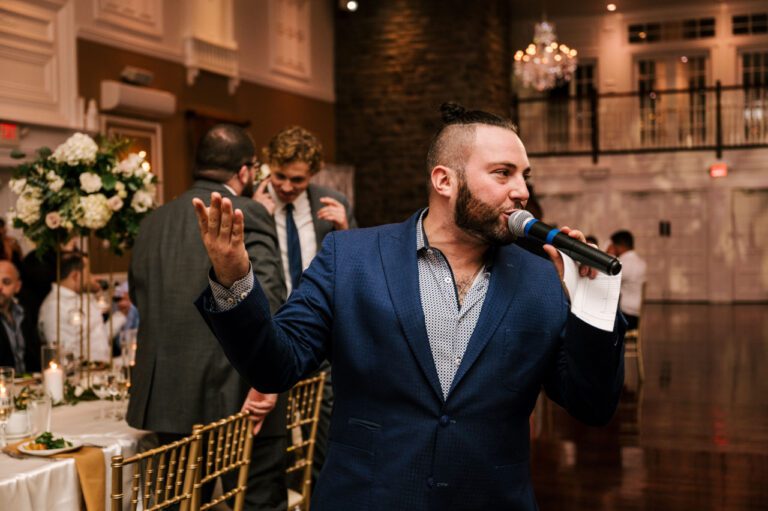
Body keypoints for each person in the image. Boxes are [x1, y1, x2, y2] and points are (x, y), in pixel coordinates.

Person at [193, 103, 625, 510]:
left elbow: (591, 406)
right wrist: (234, 279)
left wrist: (593, 309)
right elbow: (275, 366)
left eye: (524, 176)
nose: (522, 191)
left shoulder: (540, 279)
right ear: (444, 181)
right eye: (503, 173)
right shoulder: (350, 258)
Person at [126, 123, 289, 511]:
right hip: (239, 396)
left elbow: (139, 297)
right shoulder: (244, 211)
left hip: (169, 399)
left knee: (180, 505)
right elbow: (270, 299)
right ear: (245, 171)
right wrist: (266, 379)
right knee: (257, 503)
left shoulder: (152, 221)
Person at [253, 125, 356, 481]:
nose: (285, 186)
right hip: (268, 332)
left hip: (319, 337)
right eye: (279, 176)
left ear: (312, 174)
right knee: (270, 444)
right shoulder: (252, 203)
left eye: (296, 179)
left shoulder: (331, 203)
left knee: (324, 438)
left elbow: (355, 270)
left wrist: (345, 230)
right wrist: (255, 215)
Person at [38, 252, 111, 363]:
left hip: (103, 365)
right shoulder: (54, 307)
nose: (92, 278)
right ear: (75, 276)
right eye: (88, 274)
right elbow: (64, 355)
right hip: (86, 370)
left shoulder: (85, 297)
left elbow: (99, 335)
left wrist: (123, 314)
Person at [0, 261, 41, 373]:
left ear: (17, 286)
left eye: (6, 282)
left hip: (27, 381)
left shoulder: (24, 312)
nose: (0, 287)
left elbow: (35, 356)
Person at [608, 230, 647, 330]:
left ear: (618, 246)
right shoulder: (641, 262)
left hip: (626, 315)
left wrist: (607, 255)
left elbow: (607, 281)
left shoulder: (623, 264)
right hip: (637, 313)